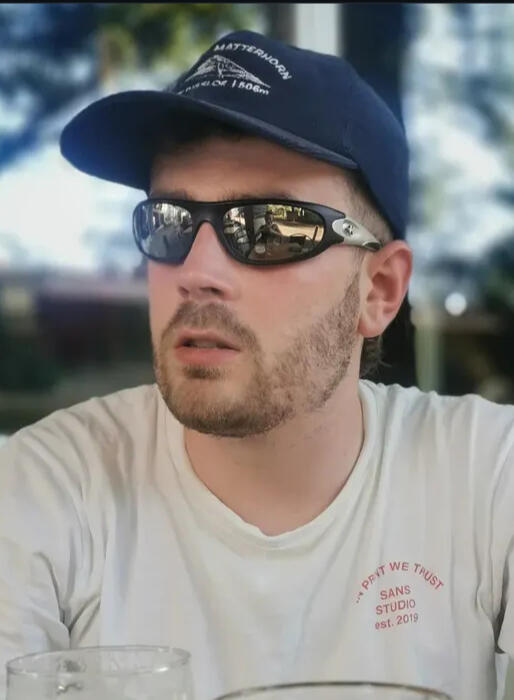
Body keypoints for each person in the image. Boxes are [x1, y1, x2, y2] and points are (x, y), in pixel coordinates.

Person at [0, 28, 513, 700]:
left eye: (269, 227)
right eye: (169, 221)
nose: (196, 271)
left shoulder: (487, 480)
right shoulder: (43, 492)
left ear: (379, 291)